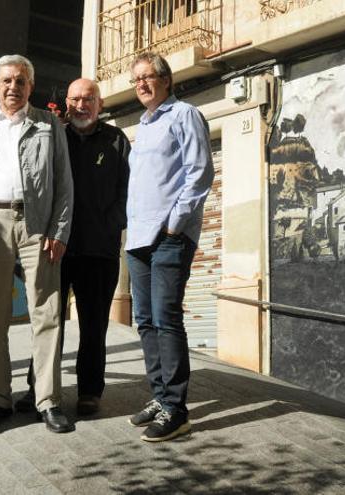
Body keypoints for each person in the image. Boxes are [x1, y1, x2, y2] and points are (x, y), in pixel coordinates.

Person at [0, 54, 74, 433]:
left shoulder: (47, 125)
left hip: (37, 226)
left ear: (31, 86)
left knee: (46, 312)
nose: (13, 87)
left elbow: (64, 182)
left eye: (21, 81)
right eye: (7, 81)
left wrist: (59, 231)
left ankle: (47, 400)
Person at [14, 78, 129, 416]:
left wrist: (110, 225)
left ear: (100, 103)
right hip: (54, 248)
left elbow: (127, 191)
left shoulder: (116, 141)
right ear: (67, 102)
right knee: (48, 322)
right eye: (76, 99)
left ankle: (90, 391)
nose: (81, 105)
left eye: (88, 99)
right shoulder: (54, 137)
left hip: (99, 251)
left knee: (94, 325)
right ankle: (39, 388)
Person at [125, 53, 213, 442]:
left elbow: (200, 172)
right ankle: (160, 397)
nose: (142, 84)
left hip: (167, 237)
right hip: (138, 237)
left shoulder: (184, 115)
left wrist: (175, 225)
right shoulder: (143, 125)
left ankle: (176, 409)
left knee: (166, 318)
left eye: (148, 77)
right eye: (137, 79)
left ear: (166, 80)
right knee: (144, 321)